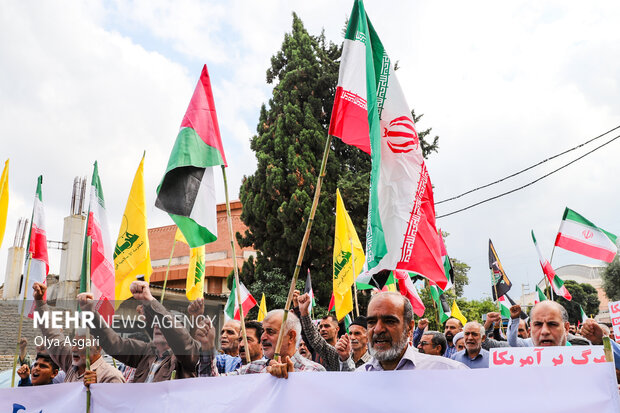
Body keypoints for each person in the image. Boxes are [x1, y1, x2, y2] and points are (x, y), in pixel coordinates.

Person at [77, 281, 200, 382]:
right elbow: (114, 343)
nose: (158, 326)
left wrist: (149, 301)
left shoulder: (188, 358)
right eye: (156, 322)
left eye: (164, 325)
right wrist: (90, 312)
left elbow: (180, 339)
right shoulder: (146, 352)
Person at [345, 292, 467, 372]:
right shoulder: (358, 377)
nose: (378, 329)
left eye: (389, 321)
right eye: (371, 322)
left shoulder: (448, 372)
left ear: (409, 327)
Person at [32, 282, 125, 386]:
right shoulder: (71, 364)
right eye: (74, 343)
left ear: (98, 348)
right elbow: (52, 335)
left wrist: (97, 389)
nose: (74, 349)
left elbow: (116, 402)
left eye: (81, 344)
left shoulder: (111, 376)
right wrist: (40, 303)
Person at [199, 309, 325, 376]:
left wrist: (290, 382)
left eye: (270, 331)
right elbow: (211, 384)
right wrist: (207, 348)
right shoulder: (253, 369)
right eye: (263, 331)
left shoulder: (314, 372)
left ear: (291, 336)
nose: (263, 337)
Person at [297, 292, 354, 371]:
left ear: (337, 329)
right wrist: (302, 311)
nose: (322, 329)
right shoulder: (318, 350)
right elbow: (311, 335)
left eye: (327, 326)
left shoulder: (347, 351)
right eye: (320, 327)